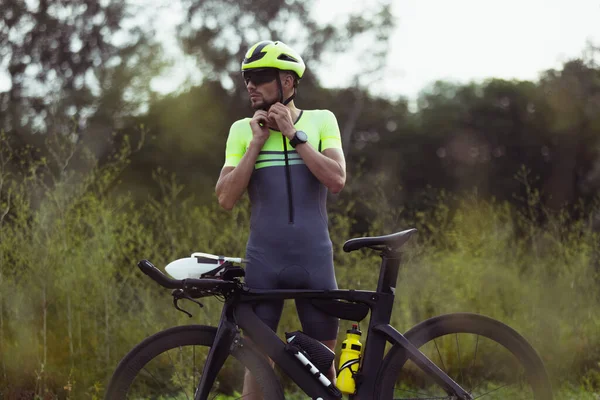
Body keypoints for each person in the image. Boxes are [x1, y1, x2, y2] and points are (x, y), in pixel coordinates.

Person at [215, 40, 346, 399]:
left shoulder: (321, 121)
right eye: (247, 79)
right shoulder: (242, 130)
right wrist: (256, 143)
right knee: (258, 367)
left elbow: (336, 179)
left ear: (287, 82)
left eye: (259, 77)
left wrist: (294, 135)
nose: (250, 86)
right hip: (264, 261)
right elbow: (225, 197)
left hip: (314, 260)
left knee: (324, 371)